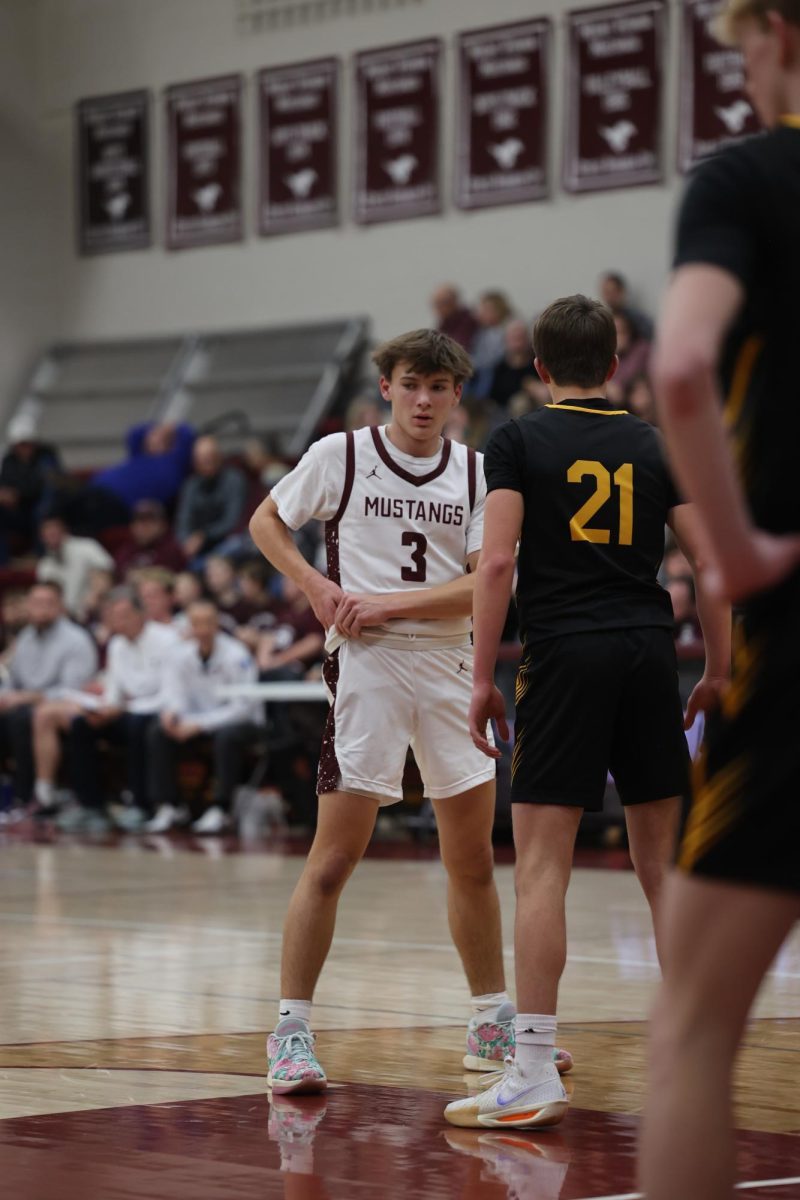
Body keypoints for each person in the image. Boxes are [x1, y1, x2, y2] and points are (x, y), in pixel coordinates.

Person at [443, 295, 730, 1130]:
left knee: (542, 869)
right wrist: (715, 670)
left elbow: (496, 562)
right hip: (648, 651)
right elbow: (708, 564)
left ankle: (532, 1067)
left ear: (538, 369)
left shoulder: (519, 439)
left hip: (565, 655)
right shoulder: (651, 443)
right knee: (662, 865)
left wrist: (481, 674)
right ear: (614, 365)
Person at [249, 328, 529, 1095]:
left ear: (457, 395)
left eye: (439, 387)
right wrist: (313, 584)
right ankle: (291, 1030)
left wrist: (386, 603)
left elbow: (484, 584)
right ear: (387, 386)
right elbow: (266, 522)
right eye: (412, 383)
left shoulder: (477, 471)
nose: (424, 400)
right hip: (368, 670)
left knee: (471, 860)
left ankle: (489, 1021)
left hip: (447, 664)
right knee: (334, 858)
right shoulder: (340, 455)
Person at [638, 2, 800, 1196]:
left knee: (691, 1029)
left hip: (796, 648)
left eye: (738, 46)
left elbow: (682, 363)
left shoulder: (746, 177)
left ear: (780, 36)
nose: (738, 72)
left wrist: (732, 553)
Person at [57, 587, 180, 833]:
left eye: (124, 615)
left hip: (161, 712)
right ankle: (90, 804)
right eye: (113, 616)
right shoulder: (116, 645)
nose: (118, 621)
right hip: (128, 711)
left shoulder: (168, 639)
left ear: (141, 613)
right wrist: (102, 710)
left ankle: (141, 804)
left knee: (137, 724)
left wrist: (123, 708)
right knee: (82, 724)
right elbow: (114, 690)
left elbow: (171, 694)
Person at [144, 600, 264, 834]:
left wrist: (200, 724)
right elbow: (174, 693)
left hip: (241, 723)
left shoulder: (236, 654)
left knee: (227, 737)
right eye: (196, 623)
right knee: (158, 731)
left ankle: (221, 809)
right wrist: (173, 713)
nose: (202, 629)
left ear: (217, 624)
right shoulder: (180, 654)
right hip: (196, 721)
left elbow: (244, 707)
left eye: (207, 623)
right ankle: (170, 805)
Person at [0, 581, 97, 806]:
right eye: (35, 603)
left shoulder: (76, 639)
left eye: (47, 603)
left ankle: (26, 797)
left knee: (21, 718)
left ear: (60, 606)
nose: (41, 609)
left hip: (60, 707)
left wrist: (27, 697)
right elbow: (12, 681)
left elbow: (73, 690)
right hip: (23, 704)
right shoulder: (26, 637)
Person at [175, 436, 247, 564]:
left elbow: (231, 520)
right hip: (198, 546)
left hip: (226, 541)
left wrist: (204, 535)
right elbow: (183, 520)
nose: (206, 465)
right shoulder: (191, 485)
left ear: (219, 457)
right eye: (201, 461)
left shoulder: (234, 479)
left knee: (235, 544)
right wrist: (186, 540)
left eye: (210, 459)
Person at [0, 413, 61, 562]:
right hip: (20, 510)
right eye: (20, 444)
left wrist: (17, 493)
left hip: (44, 507)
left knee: (42, 511)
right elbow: (6, 484)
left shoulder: (46, 456)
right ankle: (3, 562)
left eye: (27, 443)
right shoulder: (9, 460)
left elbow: (49, 484)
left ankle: (42, 557)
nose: (24, 448)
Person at [36, 515, 114, 618]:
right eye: (48, 533)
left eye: (54, 531)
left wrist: (95, 595)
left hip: (95, 612)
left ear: (64, 531)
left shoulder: (87, 546)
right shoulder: (44, 566)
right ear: (42, 538)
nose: (52, 536)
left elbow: (107, 574)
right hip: (64, 617)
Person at [113, 499, 186, 579]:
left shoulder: (171, 549)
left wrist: (143, 575)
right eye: (140, 521)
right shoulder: (126, 549)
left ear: (163, 525)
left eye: (150, 522)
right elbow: (117, 573)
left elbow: (170, 576)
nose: (144, 527)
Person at [598, 271, 654, 340]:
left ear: (622, 291)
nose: (609, 297)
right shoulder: (602, 320)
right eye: (606, 292)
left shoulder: (638, 319)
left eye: (612, 292)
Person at [430, 284, 479, 351]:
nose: (438, 308)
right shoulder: (444, 324)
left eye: (443, 303)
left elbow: (460, 348)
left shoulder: (468, 321)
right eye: (436, 304)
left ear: (454, 302)